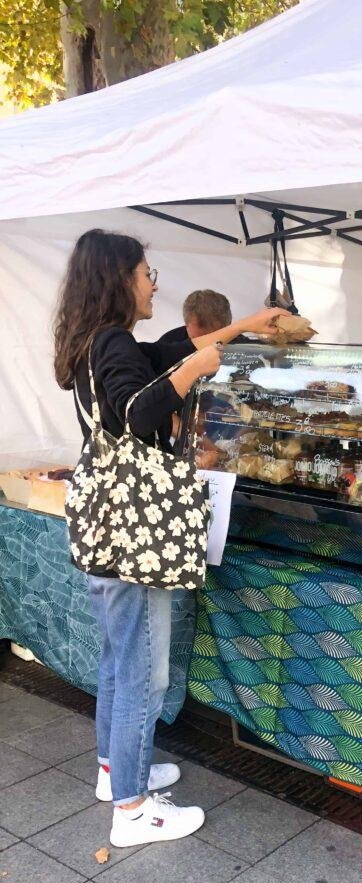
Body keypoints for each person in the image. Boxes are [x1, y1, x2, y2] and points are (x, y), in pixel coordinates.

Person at [53, 228, 287, 847]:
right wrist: (195, 370)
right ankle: (131, 810)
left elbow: (177, 354)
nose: (154, 281)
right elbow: (138, 412)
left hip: (104, 525)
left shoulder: (98, 342)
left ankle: (115, 770)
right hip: (134, 536)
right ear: (119, 279)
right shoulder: (112, 344)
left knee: (117, 657)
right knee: (142, 674)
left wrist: (246, 326)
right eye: (146, 272)